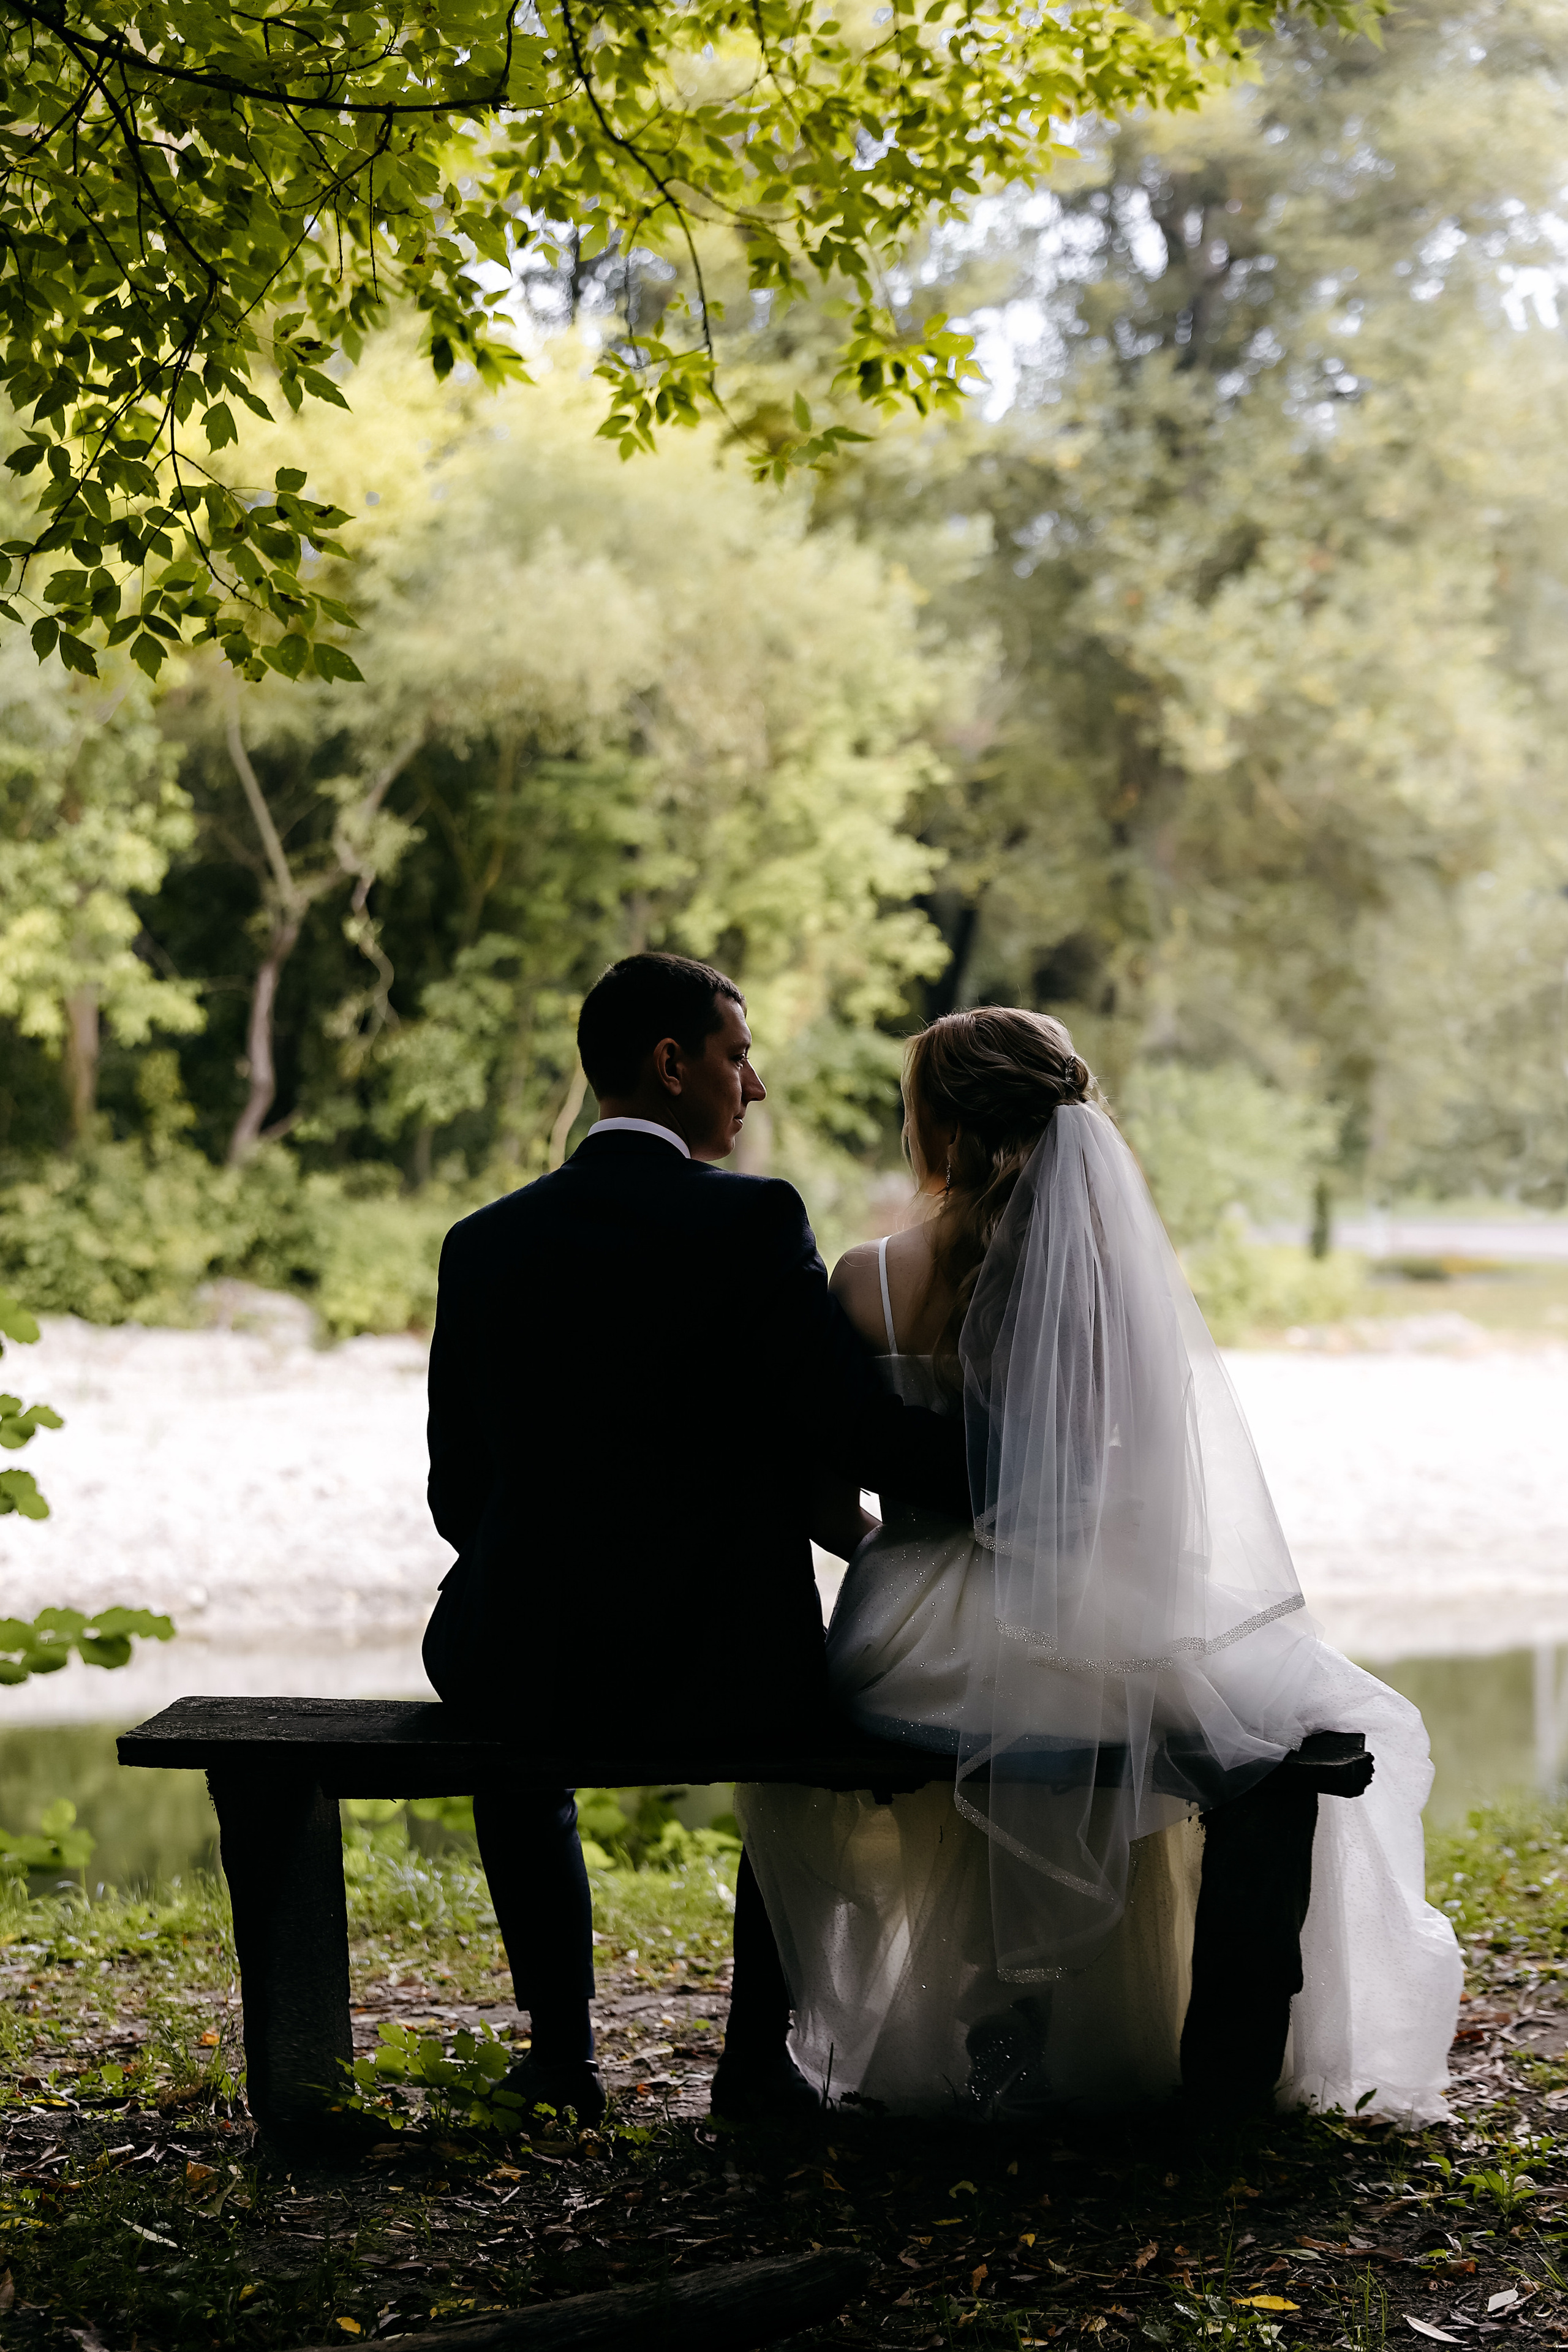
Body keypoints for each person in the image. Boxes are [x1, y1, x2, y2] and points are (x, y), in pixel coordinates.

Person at [738, 1008, 1462, 2122]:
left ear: (935, 1126)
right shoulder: (1113, 1288)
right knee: (1271, 1732)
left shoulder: (866, 1278)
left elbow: (833, 1505)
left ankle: (912, 2043)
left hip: (905, 1646)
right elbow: (1152, 1506)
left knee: (967, 1721)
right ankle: (1195, 2062)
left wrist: (911, 1560)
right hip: (1077, 1620)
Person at [421, 951, 971, 2127]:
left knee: (515, 1745)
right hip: (729, 1666)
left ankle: (561, 2058)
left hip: (525, 1650)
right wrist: (1014, 1480)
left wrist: (555, 1567)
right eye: (737, 1056)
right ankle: (752, 2066)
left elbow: (455, 1493)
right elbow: (851, 1427)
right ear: (671, 1066)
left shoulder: (483, 1241)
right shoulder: (753, 1221)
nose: (753, 1087)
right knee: (805, 1750)